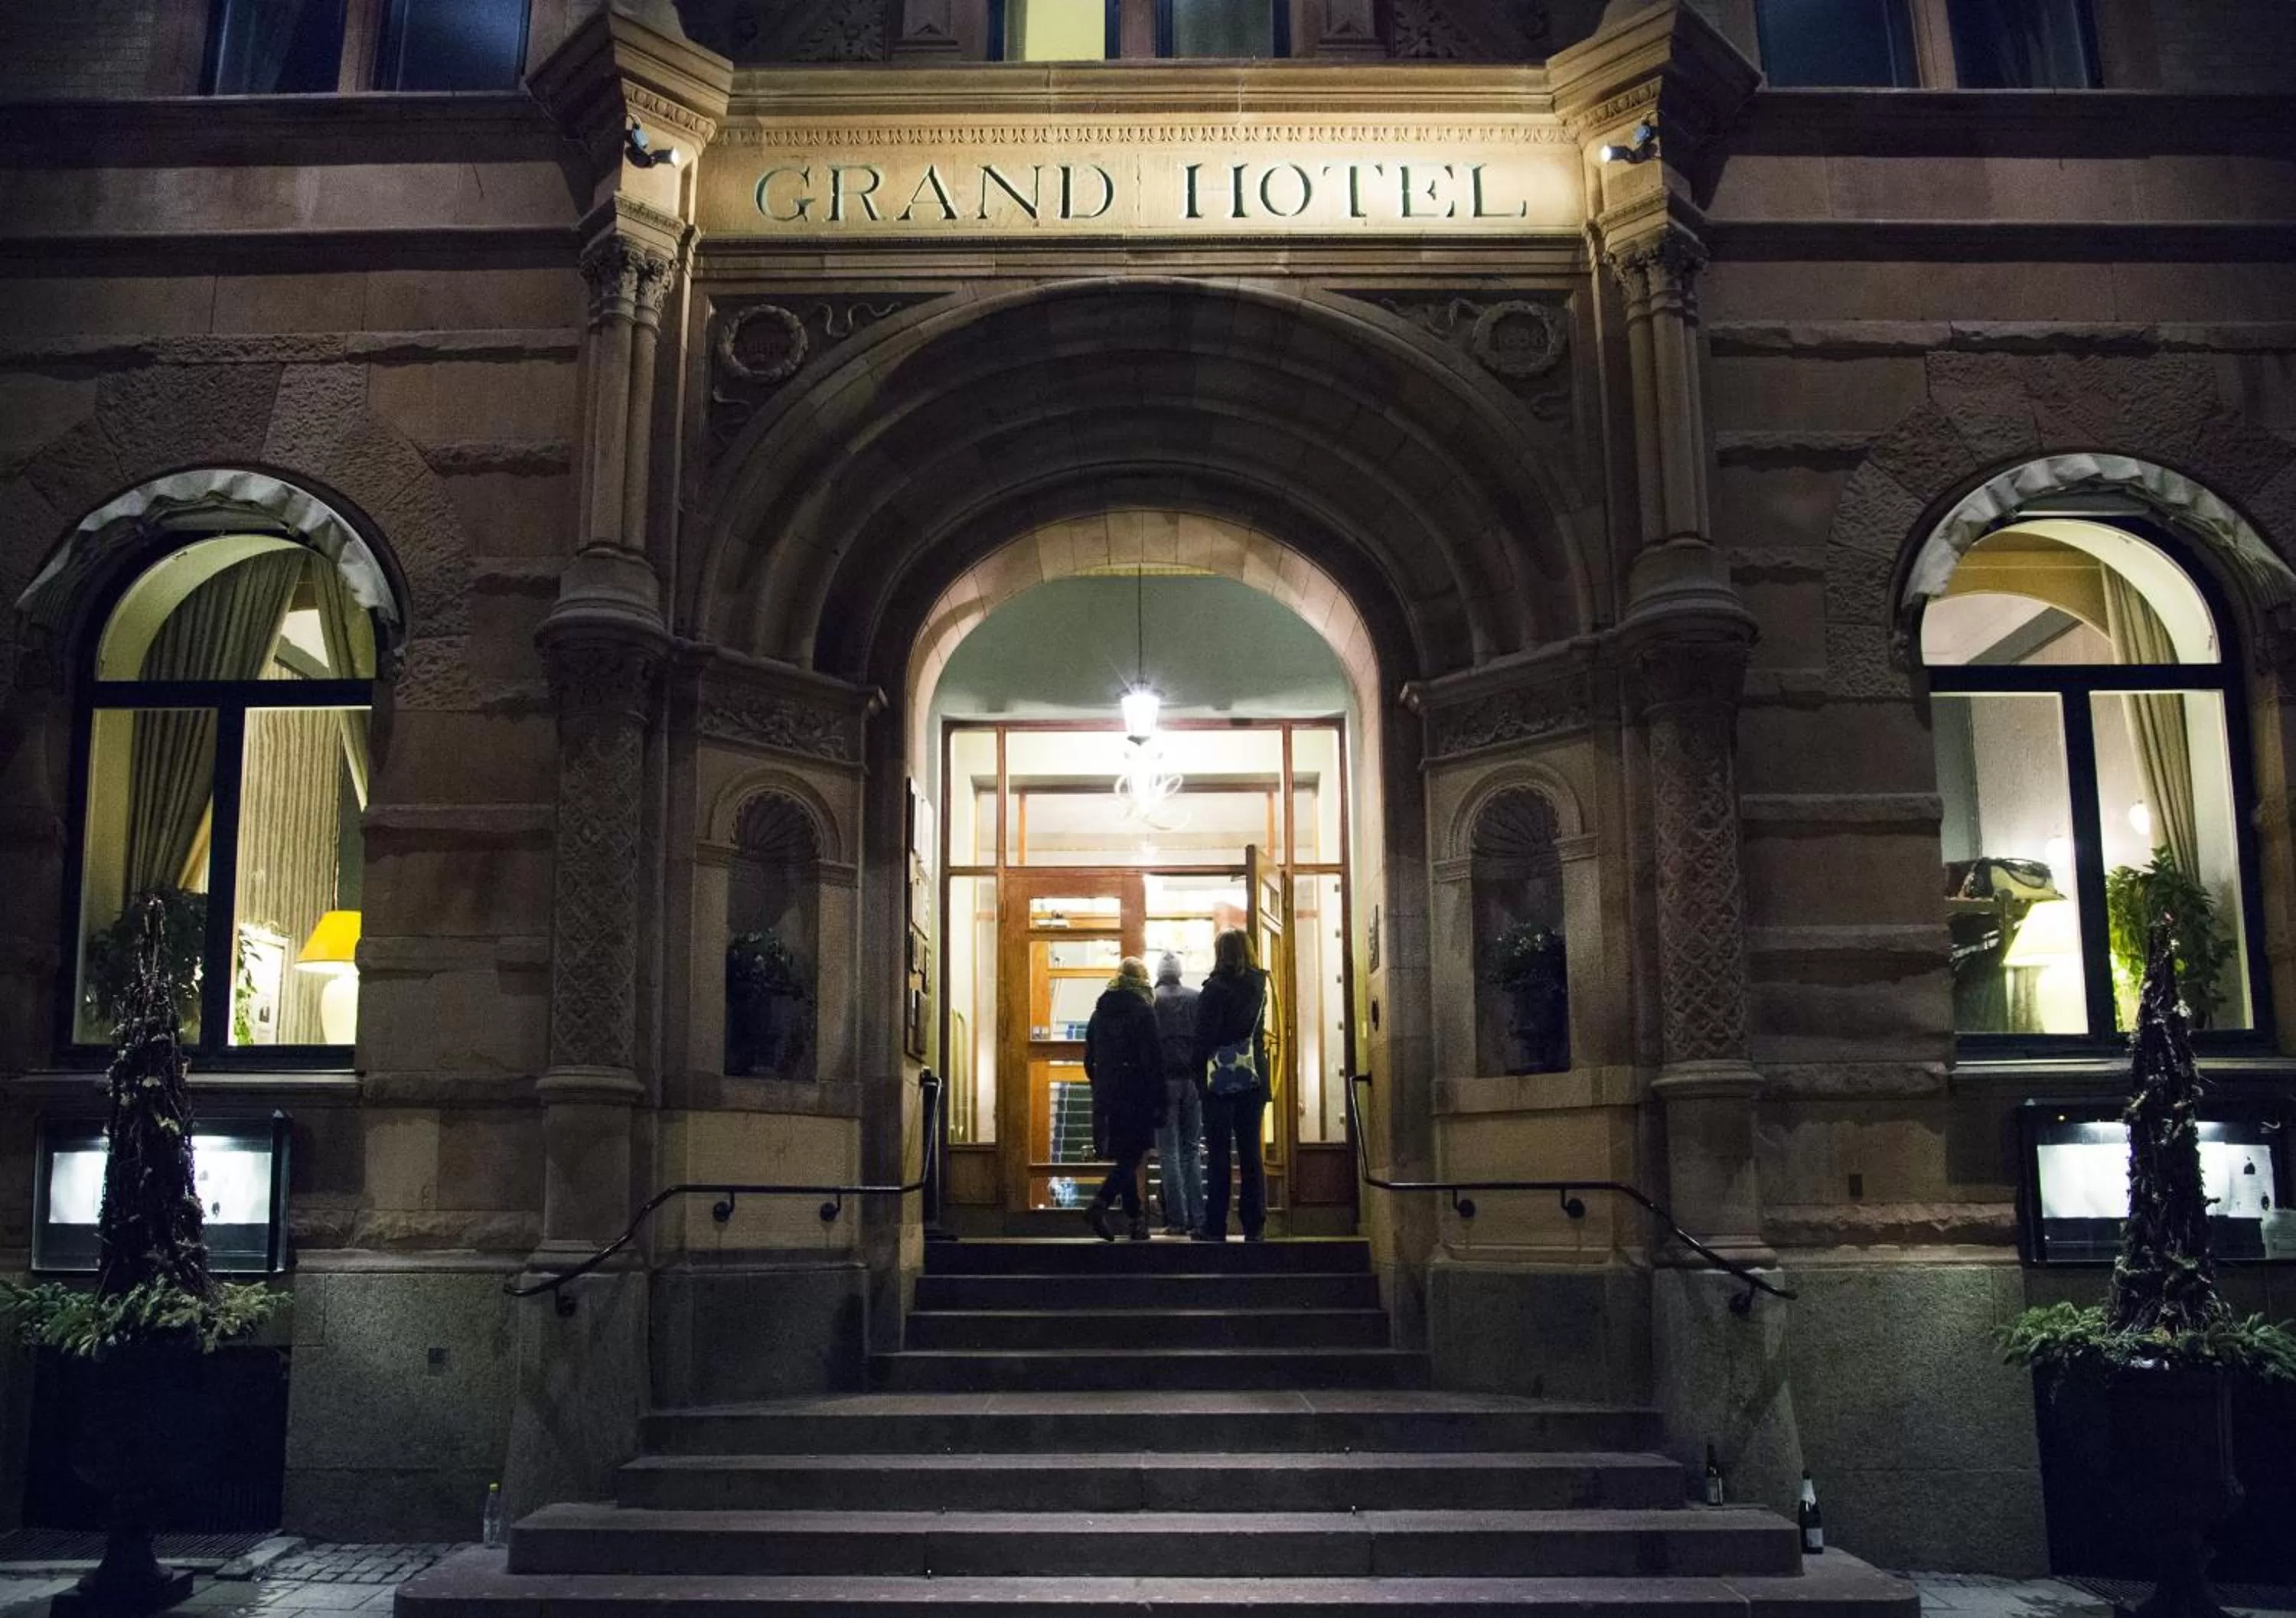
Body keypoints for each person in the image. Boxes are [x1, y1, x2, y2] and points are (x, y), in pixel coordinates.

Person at [1081, 955, 1167, 1241]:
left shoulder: (1099, 1013)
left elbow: (1089, 1059)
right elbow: (1155, 1061)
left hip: (1108, 1096)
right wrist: (1159, 1101)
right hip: (1136, 1095)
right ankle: (1100, 1203)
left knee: (1125, 1158)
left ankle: (1134, 1220)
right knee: (1131, 1157)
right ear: (1143, 982)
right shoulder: (1144, 1011)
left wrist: (1103, 1085)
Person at [1192, 928, 1269, 1243]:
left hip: (1219, 1081)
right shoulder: (1260, 985)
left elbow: (1203, 1040)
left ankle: (1216, 1226)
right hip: (1252, 1077)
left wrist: (1199, 1077)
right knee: (1251, 1153)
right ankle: (1254, 1225)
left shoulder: (1214, 990)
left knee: (1220, 1153)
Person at [1150, 951, 1204, 1236]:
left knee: (1168, 1152)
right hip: (1193, 1082)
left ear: (1159, 973)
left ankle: (1177, 1220)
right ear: (1180, 972)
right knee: (1191, 1151)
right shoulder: (1196, 998)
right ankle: (1199, 1218)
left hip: (1164, 1083)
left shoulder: (1153, 1000)